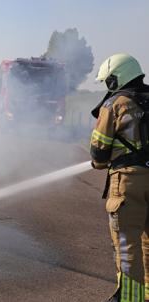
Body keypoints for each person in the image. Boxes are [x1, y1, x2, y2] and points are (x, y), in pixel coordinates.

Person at [90, 53, 149, 302]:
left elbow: (99, 153)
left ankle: (129, 298)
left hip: (128, 181)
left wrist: (100, 161)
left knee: (128, 243)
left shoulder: (114, 104)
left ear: (116, 79)